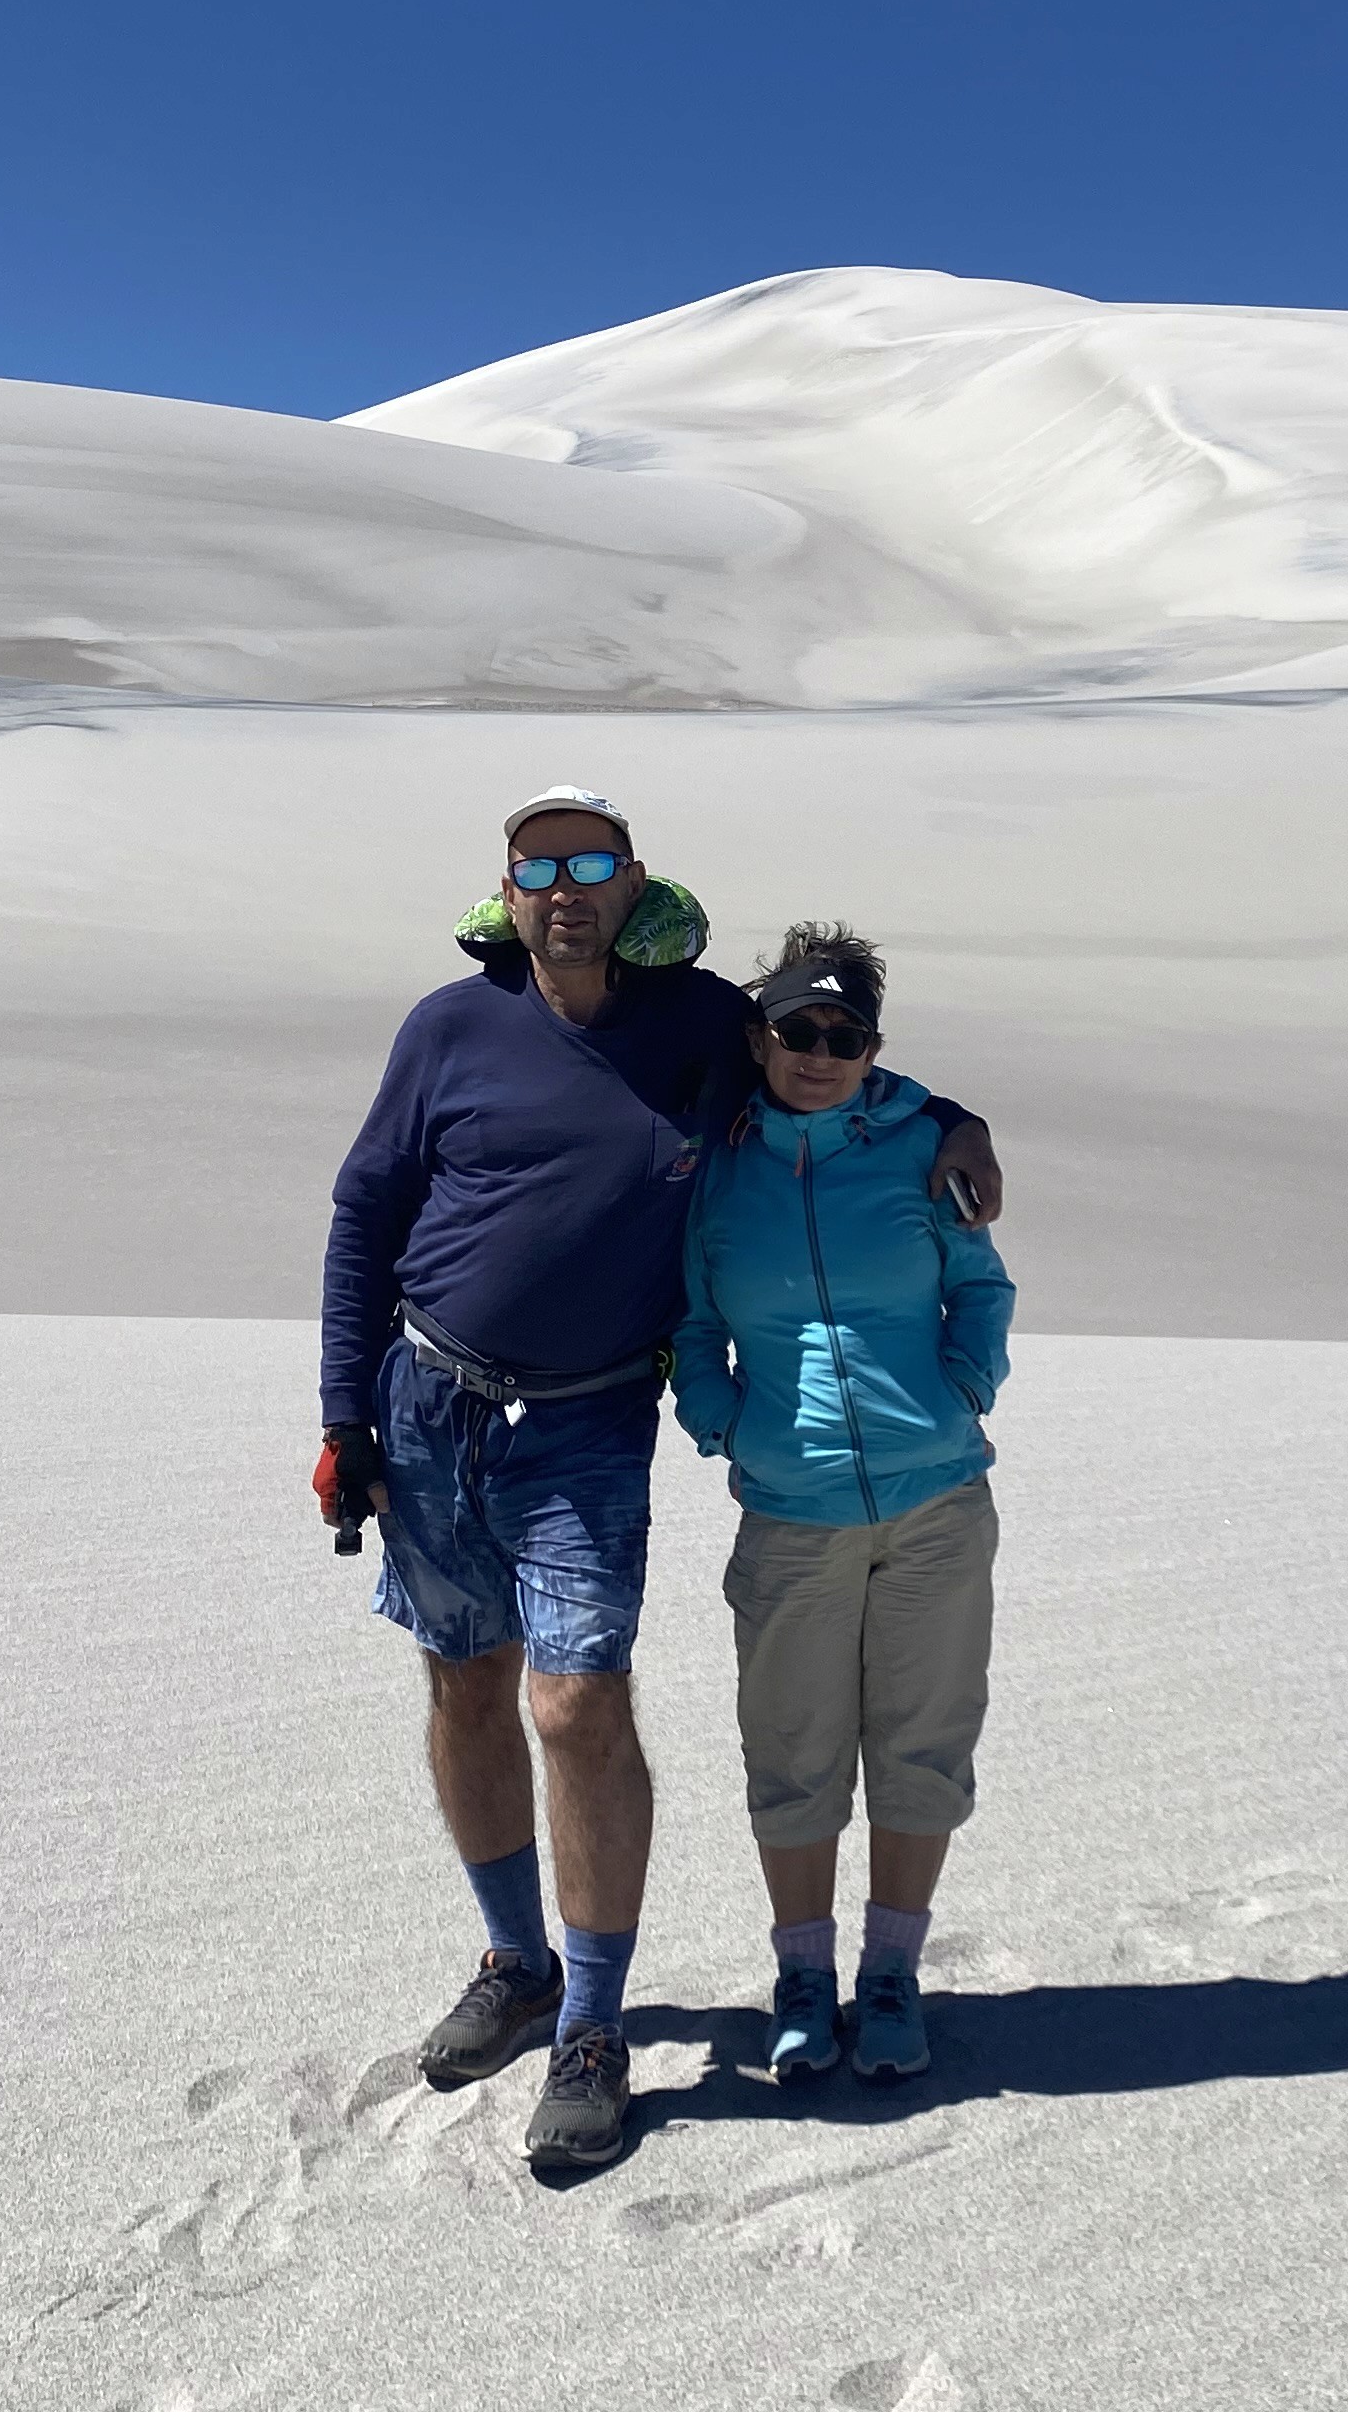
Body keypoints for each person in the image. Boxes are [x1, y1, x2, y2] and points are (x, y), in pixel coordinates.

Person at [315, 789, 1002, 2172]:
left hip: (589, 1417)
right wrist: (345, 1416)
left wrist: (959, 1119)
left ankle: (590, 2020)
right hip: (433, 1399)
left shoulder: (695, 1024)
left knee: (575, 1704)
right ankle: (513, 1960)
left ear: (634, 886)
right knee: (464, 1681)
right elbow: (365, 1209)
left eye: (593, 866)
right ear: (506, 893)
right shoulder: (448, 1028)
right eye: (538, 868)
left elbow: (832, 1074)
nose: (566, 890)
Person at [671, 924, 1014, 2089]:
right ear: (759, 1036)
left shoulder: (921, 1147)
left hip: (935, 1505)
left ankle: (892, 1976)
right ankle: (804, 1980)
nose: (820, 1055)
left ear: (874, 1046)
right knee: (794, 1752)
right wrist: (722, 1422)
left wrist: (962, 1389)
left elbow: (981, 1287)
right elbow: (692, 1322)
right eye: (798, 1032)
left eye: (845, 1036)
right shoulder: (717, 1166)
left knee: (922, 1749)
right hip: (791, 1508)